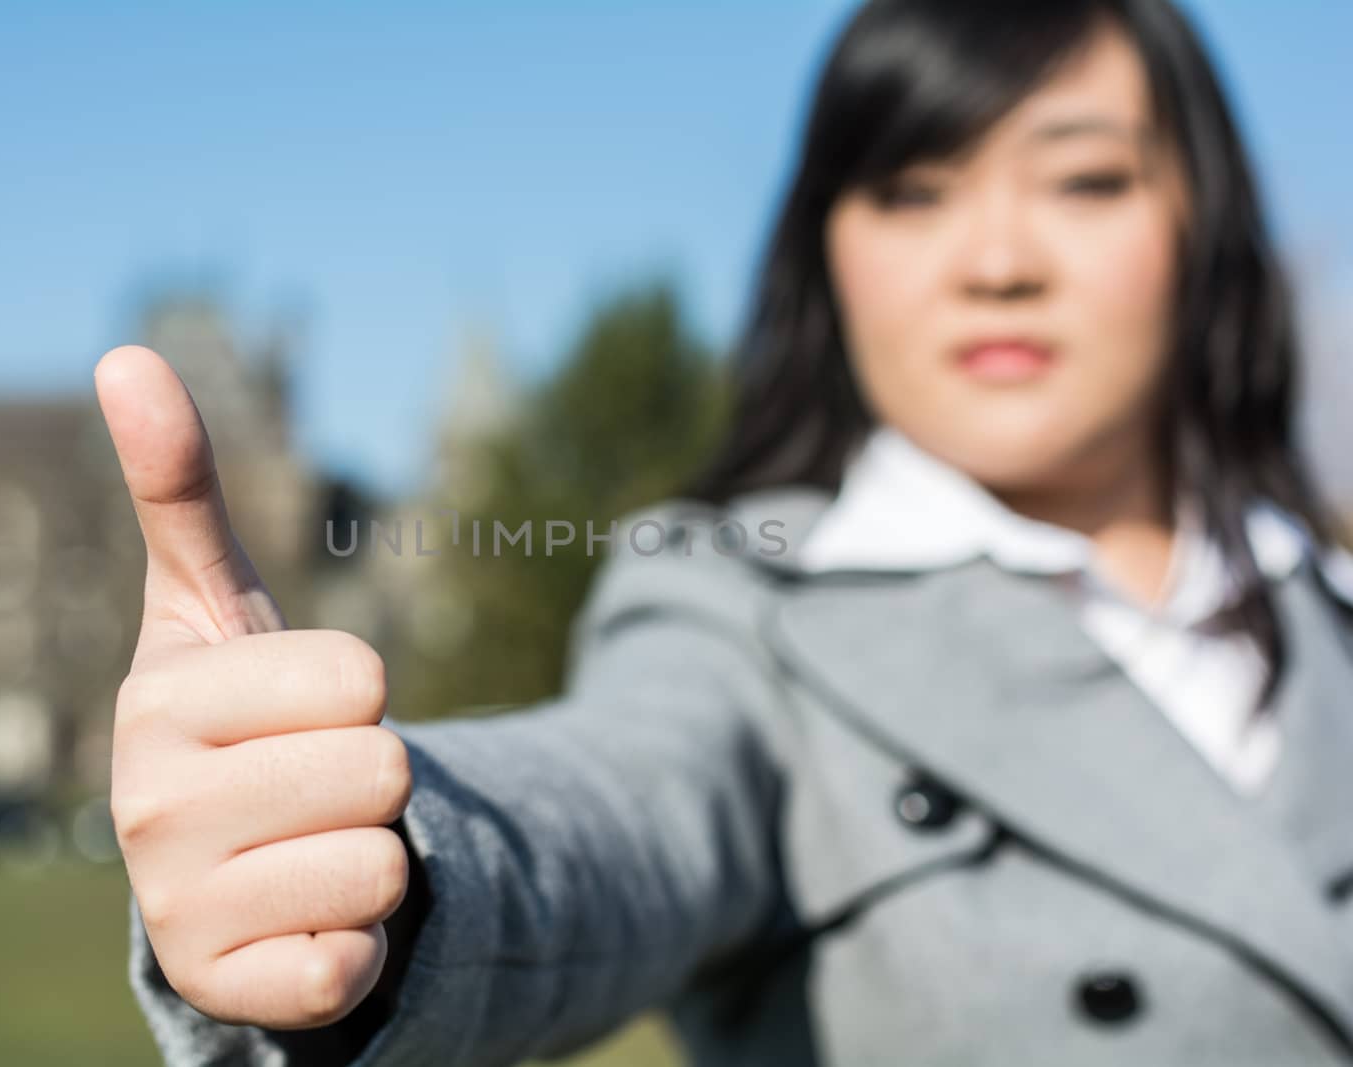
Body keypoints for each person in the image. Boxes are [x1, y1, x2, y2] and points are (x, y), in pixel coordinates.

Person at [92, 0, 1353, 1063]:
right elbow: (618, 803)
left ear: (1204, 226)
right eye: (914, 190)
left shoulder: (1327, 602)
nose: (996, 257)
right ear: (829, 256)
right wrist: (377, 870)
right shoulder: (745, 604)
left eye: (1083, 178)